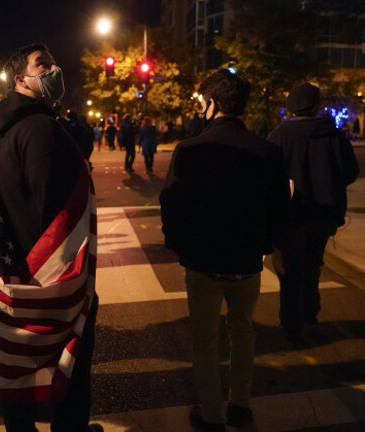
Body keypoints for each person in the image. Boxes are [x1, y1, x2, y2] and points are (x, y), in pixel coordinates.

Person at [0, 43, 99, 432]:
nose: (54, 68)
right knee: (70, 366)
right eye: (43, 63)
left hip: (14, 269)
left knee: (20, 371)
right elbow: (52, 210)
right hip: (50, 272)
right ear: (20, 79)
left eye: (53, 61)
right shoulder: (41, 128)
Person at [160, 69, 290, 432]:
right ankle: (240, 405)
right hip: (247, 262)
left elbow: (171, 202)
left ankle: (211, 415)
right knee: (243, 331)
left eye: (202, 102)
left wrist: (179, 244)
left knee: (204, 341)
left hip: (202, 263)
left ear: (212, 104)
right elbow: (280, 208)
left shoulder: (189, 150)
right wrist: (263, 245)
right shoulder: (267, 151)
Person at [268, 83, 359, 343]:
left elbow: (268, 175)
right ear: (315, 106)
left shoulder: (280, 136)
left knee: (289, 269)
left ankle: (292, 324)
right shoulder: (334, 135)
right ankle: (310, 312)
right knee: (313, 263)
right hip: (324, 213)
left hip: (291, 214)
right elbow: (350, 172)